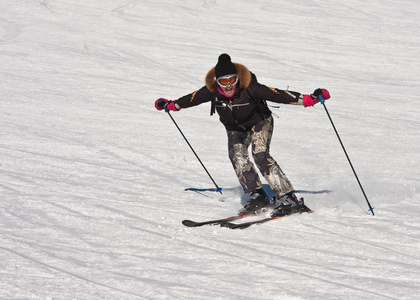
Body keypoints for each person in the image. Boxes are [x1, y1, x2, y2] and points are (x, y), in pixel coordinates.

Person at [155, 53, 330, 217]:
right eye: (224, 81)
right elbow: (190, 99)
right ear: (217, 82)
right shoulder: (211, 91)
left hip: (259, 122)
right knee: (237, 156)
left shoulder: (249, 87)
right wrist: (171, 105)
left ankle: (288, 197)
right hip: (235, 128)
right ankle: (257, 195)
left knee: (260, 155)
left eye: (232, 80)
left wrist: (310, 99)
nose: (229, 85)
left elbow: (278, 95)